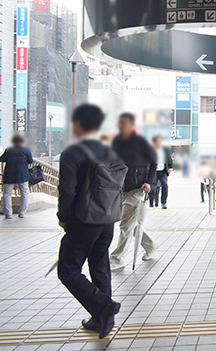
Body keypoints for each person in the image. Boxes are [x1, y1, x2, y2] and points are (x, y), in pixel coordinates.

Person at [56, 104, 121, 339]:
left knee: (68, 270)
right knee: (99, 265)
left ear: (79, 124)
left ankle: (103, 307)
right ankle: (101, 318)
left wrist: (63, 217)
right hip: (107, 220)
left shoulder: (73, 152)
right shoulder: (109, 151)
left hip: (84, 220)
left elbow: (67, 190)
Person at [109, 113, 158, 270]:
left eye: (124, 123)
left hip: (138, 188)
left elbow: (154, 161)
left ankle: (117, 258)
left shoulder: (141, 142)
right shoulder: (116, 142)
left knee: (126, 224)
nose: (121, 126)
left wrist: (149, 182)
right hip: (121, 188)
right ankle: (150, 245)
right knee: (133, 224)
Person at [0, 134, 33, 219]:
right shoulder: (26, 150)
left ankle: (8, 213)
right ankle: (22, 212)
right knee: (24, 193)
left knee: (7, 193)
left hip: (9, 175)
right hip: (23, 175)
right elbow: (30, 161)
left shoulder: (9, 150)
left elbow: (2, 159)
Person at [149, 136, 172, 209]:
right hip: (153, 171)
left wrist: (170, 168)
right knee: (153, 187)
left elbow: (169, 159)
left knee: (164, 184)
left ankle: (163, 202)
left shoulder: (164, 150)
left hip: (163, 171)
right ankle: (151, 202)